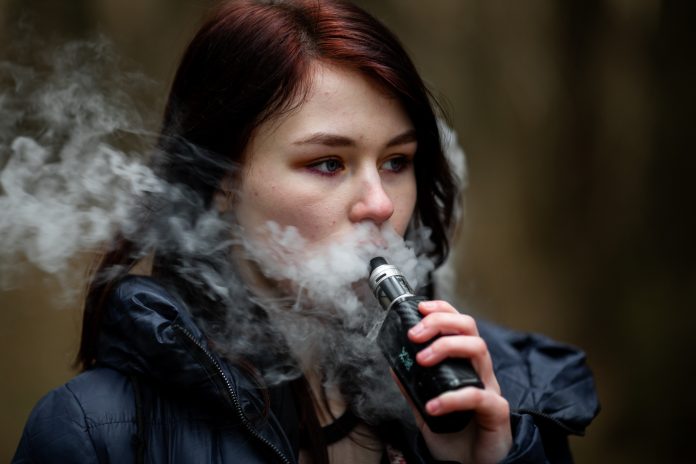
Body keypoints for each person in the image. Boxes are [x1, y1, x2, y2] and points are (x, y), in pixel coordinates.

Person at [13, 1, 599, 463]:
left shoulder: (498, 400)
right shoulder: (98, 434)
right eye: (328, 164)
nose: (377, 204)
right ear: (222, 181)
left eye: (397, 162)